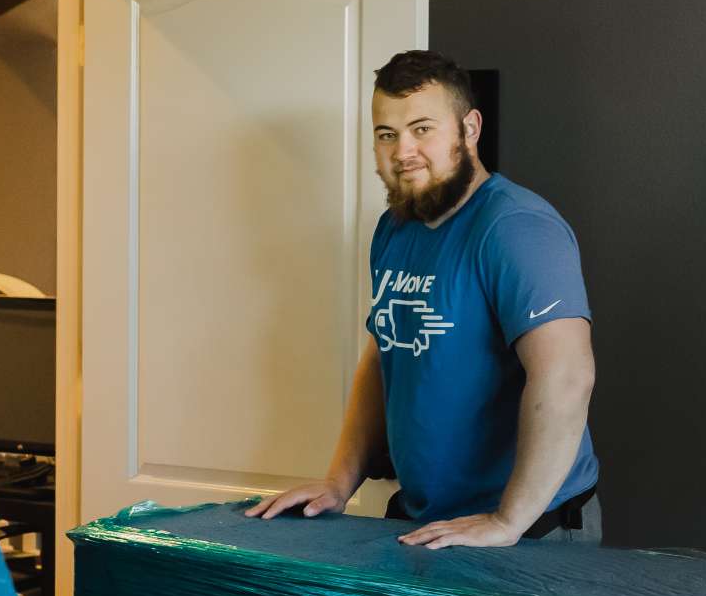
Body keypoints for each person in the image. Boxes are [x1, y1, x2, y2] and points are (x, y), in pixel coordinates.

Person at [251, 49, 599, 549]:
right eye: (386, 134)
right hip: (429, 523)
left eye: (421, 129)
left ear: (469, 128)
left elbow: (566, 378)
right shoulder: (394, 229)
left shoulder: (516, 227)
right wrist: (339, 483)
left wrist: (508, 521)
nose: (403, 152)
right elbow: (383, 356)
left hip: (531, 530)